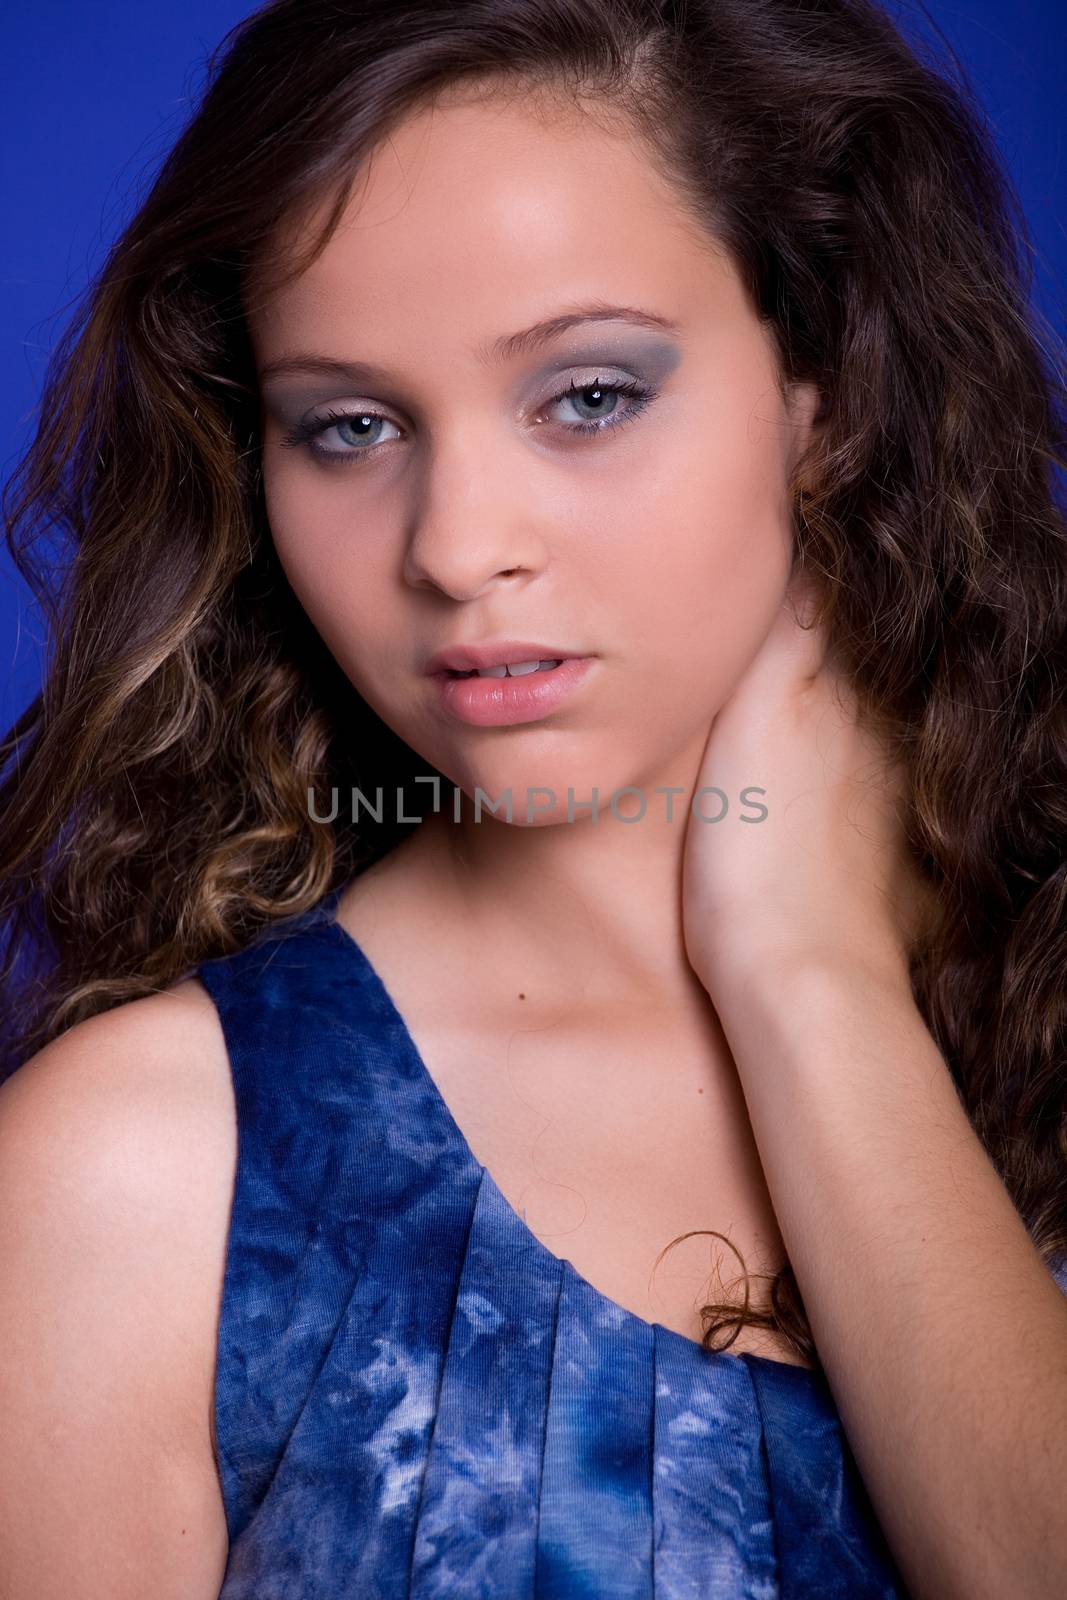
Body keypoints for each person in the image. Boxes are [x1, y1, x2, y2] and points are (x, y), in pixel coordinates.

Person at [1, 0, 1065, 1595]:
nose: (453, 545)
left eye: (587, 397)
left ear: (823, 391)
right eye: (349, 426)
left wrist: (809, 980)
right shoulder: (150, 1166)